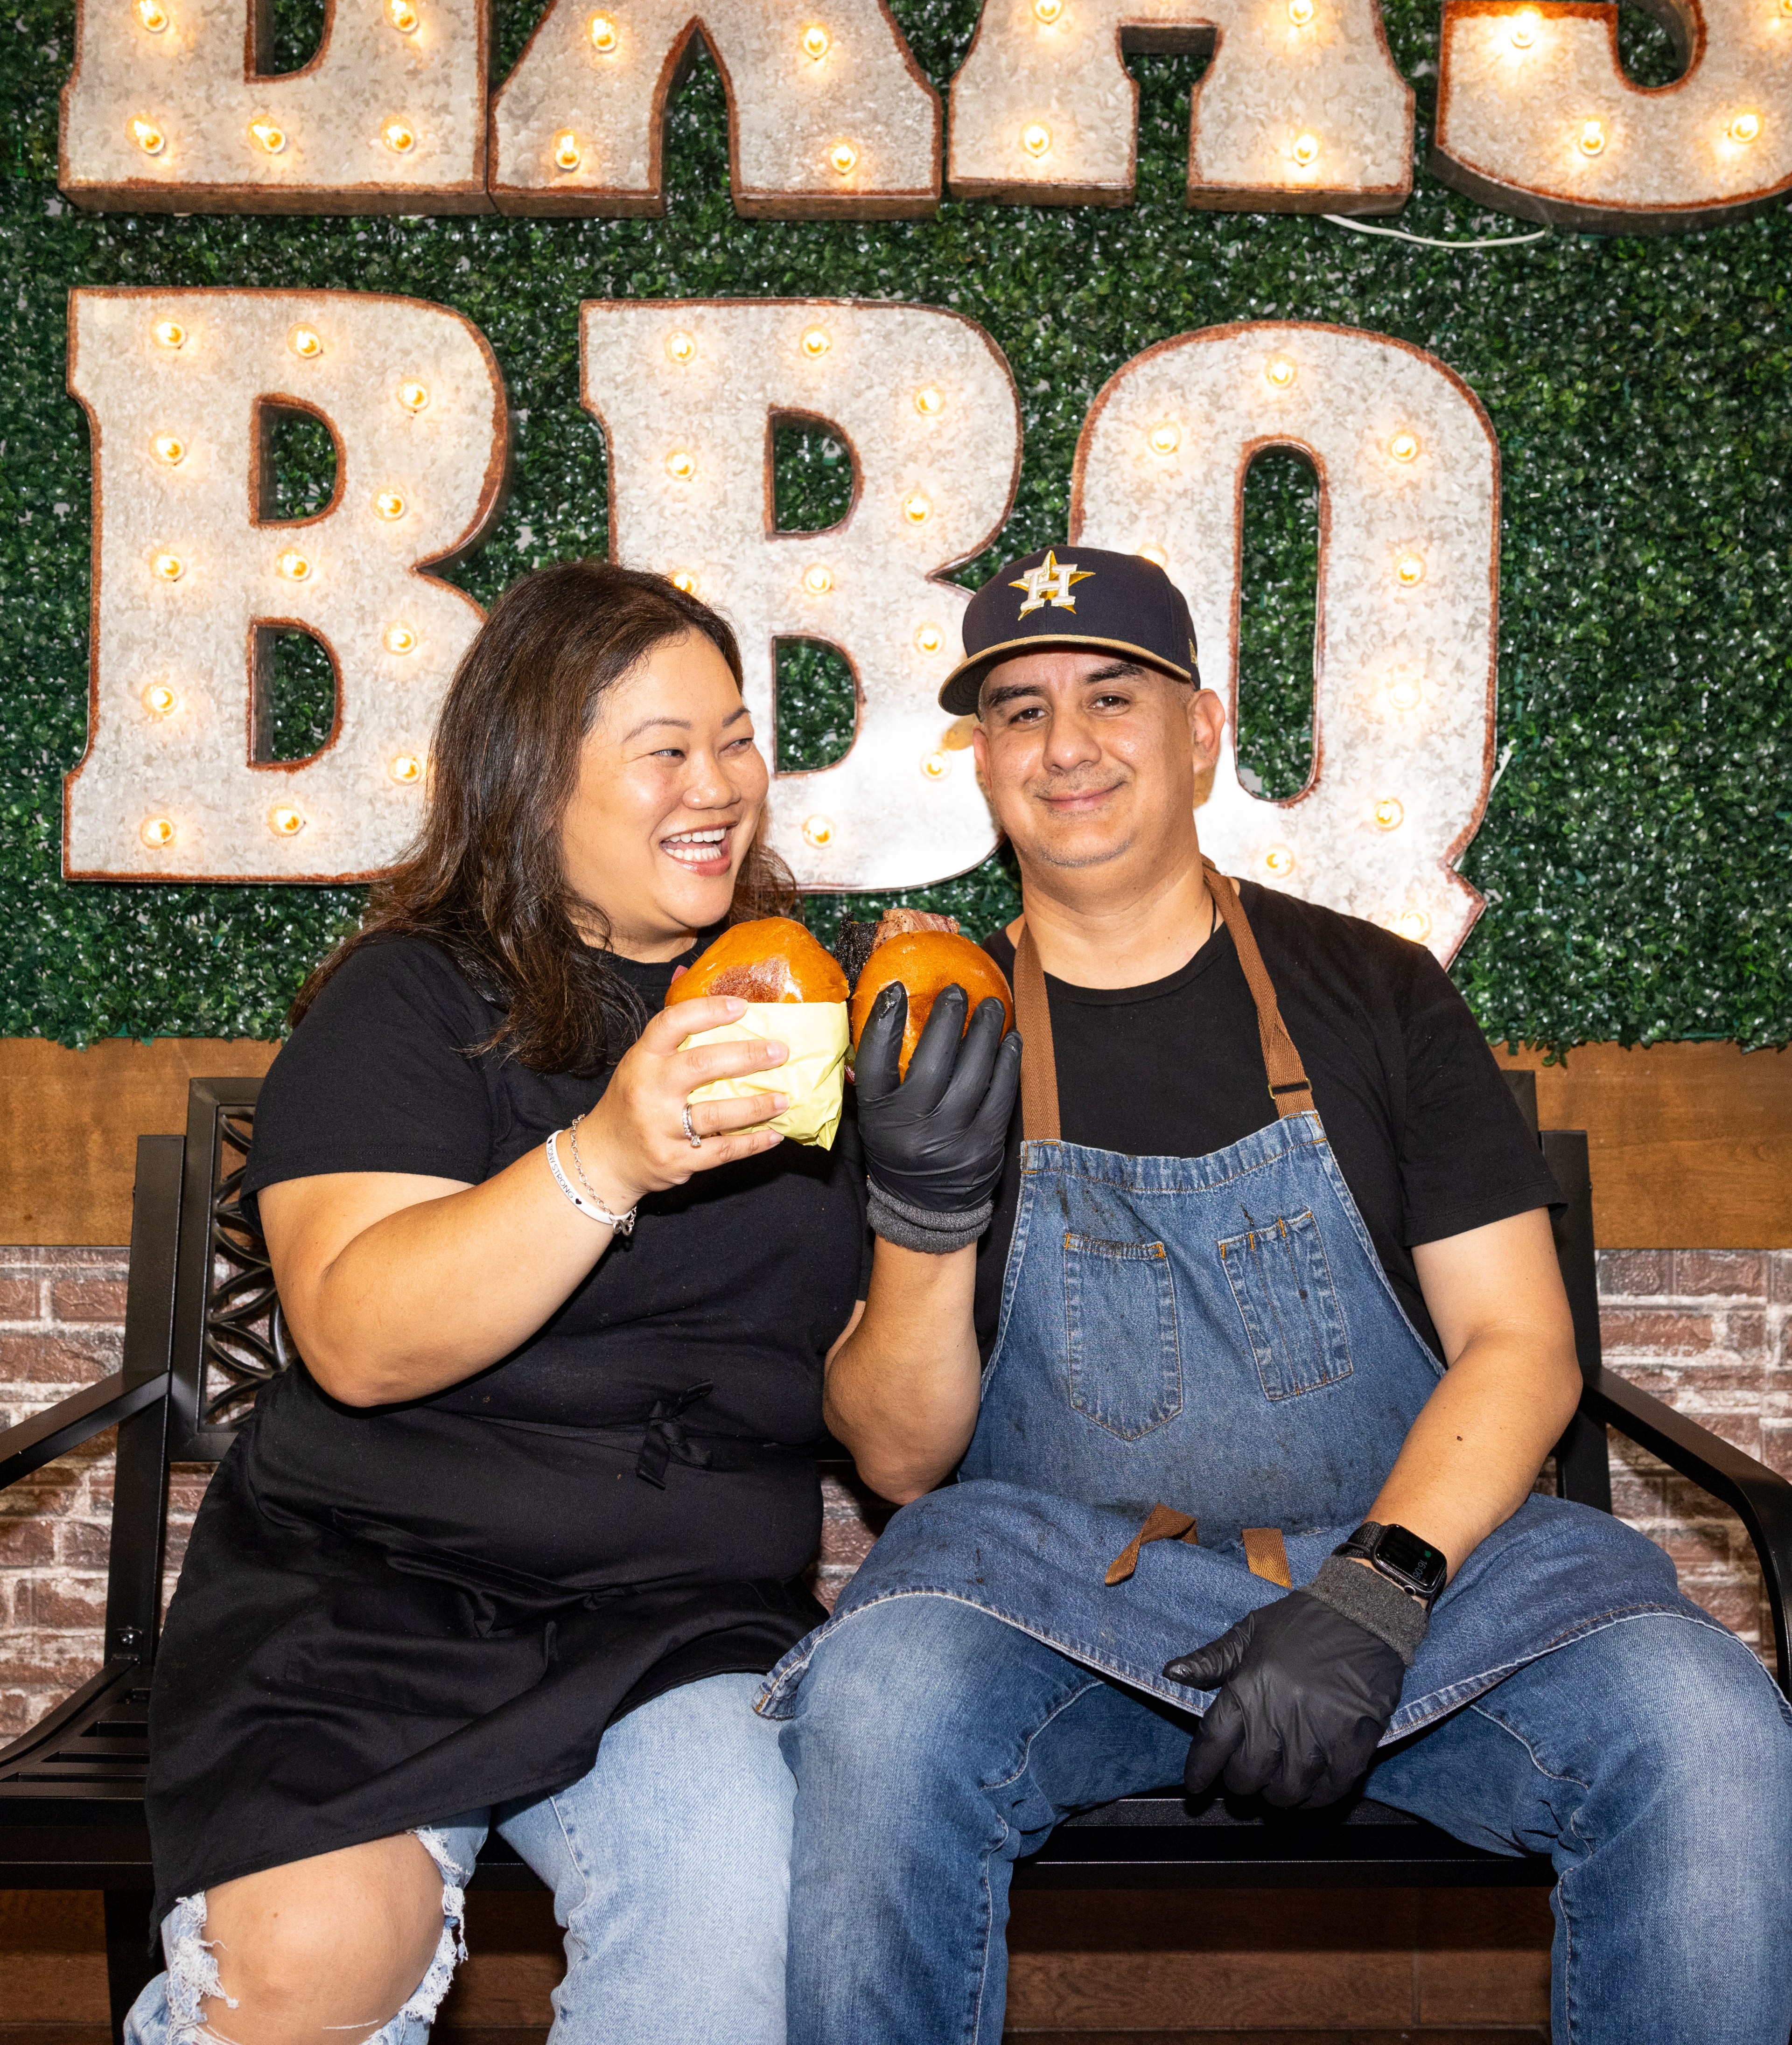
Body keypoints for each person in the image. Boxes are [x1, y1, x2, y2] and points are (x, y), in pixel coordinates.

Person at [764, 546, 1792, 2045]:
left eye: (1113, 697)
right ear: (980, 758)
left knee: (1704, 1730)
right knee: (884, 1701)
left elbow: (1521, 1344)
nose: (1066, 747)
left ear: (1201, 730)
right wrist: (924, 1209)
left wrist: (1374, 1593)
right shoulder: (927, 1027)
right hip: (1070, 1611)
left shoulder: (1377, 994)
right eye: (1019, 710)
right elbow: (904, 1460)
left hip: (1413, 1600)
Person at [126, 562, 875, 2045]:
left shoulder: (806, 1008)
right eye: (664, 749)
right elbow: (352, 1334)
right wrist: (608, 1153)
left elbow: (885, 1408)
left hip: (677, 1615)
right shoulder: (409, 998)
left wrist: (935, 1204)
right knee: (313, 1959)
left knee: (740, 1936)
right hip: (374, 1587)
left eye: (734, 739)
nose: (717, 783)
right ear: (534, 783)